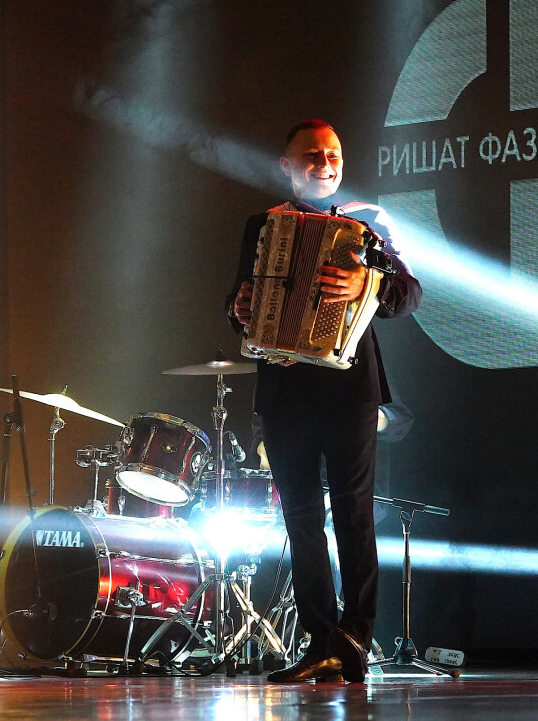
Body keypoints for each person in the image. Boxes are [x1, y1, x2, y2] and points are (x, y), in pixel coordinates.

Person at [226, 120, 422, 683]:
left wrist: (368, 284)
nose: (326, 163)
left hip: (348, 389)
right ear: (287, 165)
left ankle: (354, 637)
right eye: (313, 155)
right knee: (301, 517)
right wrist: (239, 307)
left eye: (333, 154)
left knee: (353, 515)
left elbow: (409, 294)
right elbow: (240, 297)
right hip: (285, 387)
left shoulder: (367, 225)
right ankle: (319, 642)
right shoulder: (263, 224)